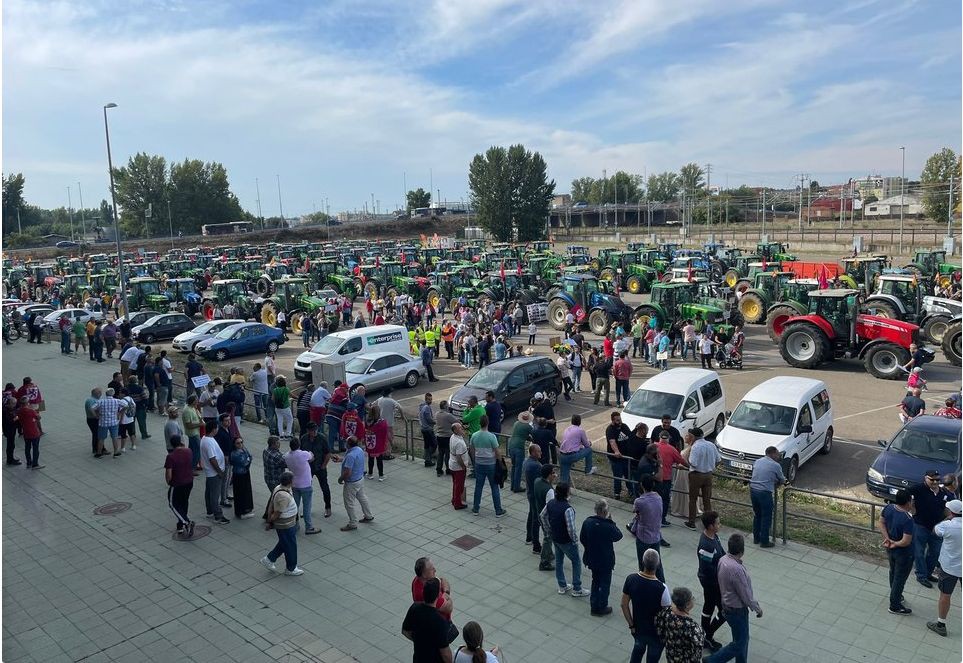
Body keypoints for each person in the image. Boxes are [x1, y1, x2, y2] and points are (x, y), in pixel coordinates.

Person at [704, 534, 763, 663]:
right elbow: (746, 595)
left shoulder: (723, 560)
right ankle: (712, 660)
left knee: (741, 639)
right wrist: (757, 608)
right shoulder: (736, 570)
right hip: (737, 610)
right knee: (740, 643)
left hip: (727, 605)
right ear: (742, 551)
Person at [540, 481, 590, 597]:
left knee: (559, 561)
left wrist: (548, 529)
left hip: (555, 537)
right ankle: (577, 588)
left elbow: (542, 515)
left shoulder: (551, 503)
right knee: (576, 561)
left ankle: (562, 585)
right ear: (567, 493)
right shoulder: (567, 509)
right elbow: (571, 528)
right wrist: (575, 540)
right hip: (566, 540)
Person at [621, 548, 671, 663]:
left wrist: (632, 625)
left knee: (637, 651)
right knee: (652, 658)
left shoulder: (631, 579)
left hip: (638, 628)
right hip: (656, 633)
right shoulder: (662, 588)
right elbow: (667, 613)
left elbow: (624, 604)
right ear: (657, 564)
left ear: (643, 562)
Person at [580, 498, 624, 616]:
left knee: (595, 581)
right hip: (605, 560)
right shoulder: (608, 526)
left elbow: (582, 539)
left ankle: (594, 605)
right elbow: (618, 536)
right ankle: (602, 606)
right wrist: (612, 522)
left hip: (592, 558)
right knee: (604, 583)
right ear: (605, 512)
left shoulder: (588, 522)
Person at [909, 470, 953, 588]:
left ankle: (928, 573)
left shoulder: (943, 492)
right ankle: (921, 575)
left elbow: (951, 502)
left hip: (937, 527)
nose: (935, 482)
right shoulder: (918, 488)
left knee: (935, 552)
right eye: (931, 479)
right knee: (919, 552)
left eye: (937, 480)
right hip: (920, 525)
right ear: (925, 478)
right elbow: (903, 495)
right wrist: (912, 508)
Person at [927, 499, 962, 637]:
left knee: (945, 595)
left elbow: (935, 531)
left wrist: (945, 520)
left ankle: (941, 624)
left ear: (950, 512)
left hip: (950, 567)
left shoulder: (947, 526)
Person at [878, 488, 915, 615]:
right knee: (900, 578)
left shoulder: (889, 508)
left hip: (890, 548)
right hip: (904, 553)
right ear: (908, 502)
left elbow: (881, 522)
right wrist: (895, 543)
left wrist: (887, 538)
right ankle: (895, 605)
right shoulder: (907, 519)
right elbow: (906, 541)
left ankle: (896, 595)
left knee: (893, 572)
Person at [402, 577, 454, 663]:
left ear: (423, 592)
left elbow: (405, 631)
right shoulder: (440, 622)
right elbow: (445, 654)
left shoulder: (414, 608)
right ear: (438, 596)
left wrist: (419, 641)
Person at [261, 471, 303, 576]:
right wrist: (270, 522)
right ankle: (291, 568)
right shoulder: (283, 496)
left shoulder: (279, 488)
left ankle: (269, 559)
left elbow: (271, 504)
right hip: (285, 524)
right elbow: (278, 512)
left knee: (285, 542)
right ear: (290, 482)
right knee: (290, 545)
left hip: (288, 523)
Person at [749, 446, 786, 548]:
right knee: (766, 517)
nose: (778, 456)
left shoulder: (758, 461)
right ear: (772, 453)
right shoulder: (775, 465)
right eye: (777, 454)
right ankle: (764, 541)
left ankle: (756, 538)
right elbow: (782, 480)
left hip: (753, 490)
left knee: (757, 515)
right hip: (764, 492)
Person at [655, 586, 704, 663]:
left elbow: (659, 630)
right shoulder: (693, 628)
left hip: (671, 654)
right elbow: (697, 651)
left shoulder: (666, 612)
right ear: (687, 605)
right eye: (692, 598)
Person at [632, 475, 666, 582]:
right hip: (655, 535)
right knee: (657, 563)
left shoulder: (639, 501)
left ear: (642, 485)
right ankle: (661, 584)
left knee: (643, 563)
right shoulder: (658, 498)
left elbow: (635, 511)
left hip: (643, 536)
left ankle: (644, 583)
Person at [470, 416, 505, 517]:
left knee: (478, 486)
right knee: (494, 487)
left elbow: (472, 450)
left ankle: (476, 509)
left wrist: (474, 461)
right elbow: (497, 452)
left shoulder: (474, 435)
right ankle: (498, 510)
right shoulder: (491, 436)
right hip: (491, 464)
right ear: (487, 423)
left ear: (479, 423)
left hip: (479, 463)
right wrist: (500, 462)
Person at [338, 435, 374, 531]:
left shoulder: (350, 455)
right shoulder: (359, 450)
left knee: (349, 503)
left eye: (346, 442)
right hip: (360, 479)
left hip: (351, 483)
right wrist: (341, 460)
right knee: (362, 498)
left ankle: (353, 523)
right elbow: (351, 461)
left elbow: (348, 472)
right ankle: (368, 515)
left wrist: (340, 479)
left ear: (349, 444)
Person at [284, 437, 320, 535]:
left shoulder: (287, 456)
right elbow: (312, 457)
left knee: (295, 506)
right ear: (299, 445)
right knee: (307, 507)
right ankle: (309, 527)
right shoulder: (303, 454)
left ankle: (295, 526)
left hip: (294, 484)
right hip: (306, 484)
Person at [685, 428, 718, 530]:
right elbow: (718, 460)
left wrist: (686, 459)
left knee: (692, 499)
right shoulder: (711, 445)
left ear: (693, 437)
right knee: (707, 500)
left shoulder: (696, 447)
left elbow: (693, 463)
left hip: (696, 474)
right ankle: (709, 523)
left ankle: (691, 522)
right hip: (708, 475)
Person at [300, 422, 333, 519]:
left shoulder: (322, 438)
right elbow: (301, 452)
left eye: (316, 430)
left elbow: (328, 453)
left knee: (325, 488)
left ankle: (328, 507)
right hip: (307, 468)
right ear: (308, 431)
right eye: (312, 430)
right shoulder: (303, 438)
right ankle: (307, 509)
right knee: (306, 489)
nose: (315, 432)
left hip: (320, 467)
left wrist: (324, 465)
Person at [164, 434, 195, 538]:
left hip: (177, 483)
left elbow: (169, 474)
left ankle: (186, 522)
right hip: (189, 481)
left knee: (172, 504)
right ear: (181, 442)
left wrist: (169, 482)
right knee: (183, 502)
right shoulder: (189, 451)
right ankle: (180, 525)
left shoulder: (171, 457)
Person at [655, 431, 687, 526]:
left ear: (659, 437)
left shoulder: (654, 446)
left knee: (654, 498)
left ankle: (653, 517)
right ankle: (662, 519)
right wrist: (690, 466)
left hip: (654, 477)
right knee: (664, 499)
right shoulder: (672, 449)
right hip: (665, 478)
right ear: (668, 438)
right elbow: (681, 460)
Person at [199, 430, 230, 524]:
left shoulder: (205, 438)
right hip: (214, 473)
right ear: (214, 429)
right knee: (214, 495)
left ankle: (210, 511)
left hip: (210, 472)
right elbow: (212, 459)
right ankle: (218, 516)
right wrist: (219, 472)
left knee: (209, 492)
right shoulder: (208, 442)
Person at [558, 414, 597, 484]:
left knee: (564, 478)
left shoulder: (567, 429)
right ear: (580, 422)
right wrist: (589, 443)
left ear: (571, 421)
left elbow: (570, 441)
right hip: (571, 456)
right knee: (589, 450)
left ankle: (564, 493)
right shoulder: (580, 430)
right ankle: (588, 470)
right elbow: (587, 445)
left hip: (562, 455)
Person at [508, 411, 534, 492]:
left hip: (511, 445)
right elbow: (533, 434)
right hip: (519, 447)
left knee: (513, 466)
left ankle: (512, 485)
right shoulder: (528, 427)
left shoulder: (516, 423)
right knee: (518, 468)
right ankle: (516, 487)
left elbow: (519, 434)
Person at [229, 437, 254, 519]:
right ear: (234, 444)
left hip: (245, 473)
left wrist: (248, 458)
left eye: (241, 442)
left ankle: (246, 509)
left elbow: (250, 457)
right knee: (240, 493)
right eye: (238, 443)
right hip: (239, 475)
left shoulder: (243, 449)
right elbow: (244, 462)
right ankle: (241, 512)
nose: (240, 444)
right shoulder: (235, 453)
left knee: (246, 491)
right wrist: (248, 459)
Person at [365, 403, 390, 481]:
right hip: (378, 444)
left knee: (370, 459)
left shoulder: (367, 421)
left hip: (370, 443)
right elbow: (385, 433)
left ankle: (370, 474)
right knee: (379, 460)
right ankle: (381, 475)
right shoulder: (382, 423)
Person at [17, 397, 43, 470]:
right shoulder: (31, 411)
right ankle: (35, 464)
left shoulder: (19, 411)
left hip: (26, 432)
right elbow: (39, 417)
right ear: (27, 403)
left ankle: (29, 463)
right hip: (34, 432)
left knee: (27, 448)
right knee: (35, 448)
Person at [449, 422, 469, 510]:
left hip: (452, 464)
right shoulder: (459, 443)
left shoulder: (453, 437)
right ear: (456, 430)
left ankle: (454, 499)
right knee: (459, 485)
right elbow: (459, 457)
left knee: (455, 483)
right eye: (460, 428)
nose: (462, 429)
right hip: (458, 467)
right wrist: (463, 466)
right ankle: (457, 503)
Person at [436, 401, 457, 477]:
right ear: (445, 406)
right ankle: (448, 469)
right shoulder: (448, 415)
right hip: (447, 436)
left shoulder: (437, 414)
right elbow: (456, 421)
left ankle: (439, 469)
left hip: (439, 436)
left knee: (440, 453)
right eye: (447, 406)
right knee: (448, 453)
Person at [420, 393, 438, 467]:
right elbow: (429, 419)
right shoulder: (426, 407)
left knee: (427, 445)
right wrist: (435, 422)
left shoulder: (422, 406)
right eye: (429, 399)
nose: (430, 401)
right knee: (434, 444)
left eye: (431, 399)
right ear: (425, 399)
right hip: (428, 429)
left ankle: (427, 460)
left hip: (424, 428)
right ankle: (428, 458)